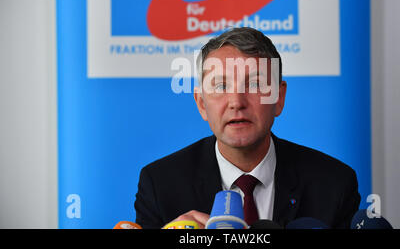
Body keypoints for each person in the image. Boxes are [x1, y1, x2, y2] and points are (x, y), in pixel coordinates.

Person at [134, 27, 360, 229]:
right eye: (221, 86)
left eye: (254, 84)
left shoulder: (334, 183)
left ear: (279, 97)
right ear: (201, 104)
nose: (236, 102)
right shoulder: (160, 185)